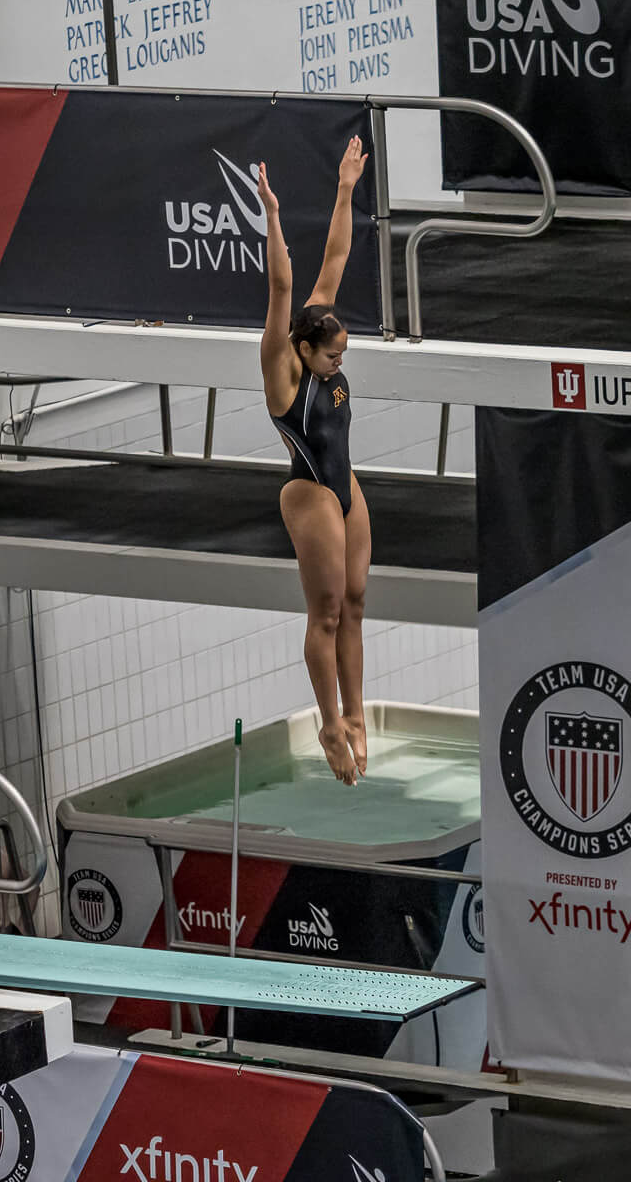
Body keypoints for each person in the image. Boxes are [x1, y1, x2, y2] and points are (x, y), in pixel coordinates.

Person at [256, 137, 369, 787]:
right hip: (309, 494)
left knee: (355, 604)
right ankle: (329, 721)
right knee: (324, 612)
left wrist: (346, 187)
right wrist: (272, 214)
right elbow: (281, 285)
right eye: (332, 356)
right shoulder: (282, 372)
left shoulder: (320, 324)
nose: (340, 363)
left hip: (345, 485)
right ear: (304, 348)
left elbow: (336, 254)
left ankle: (357, 713)